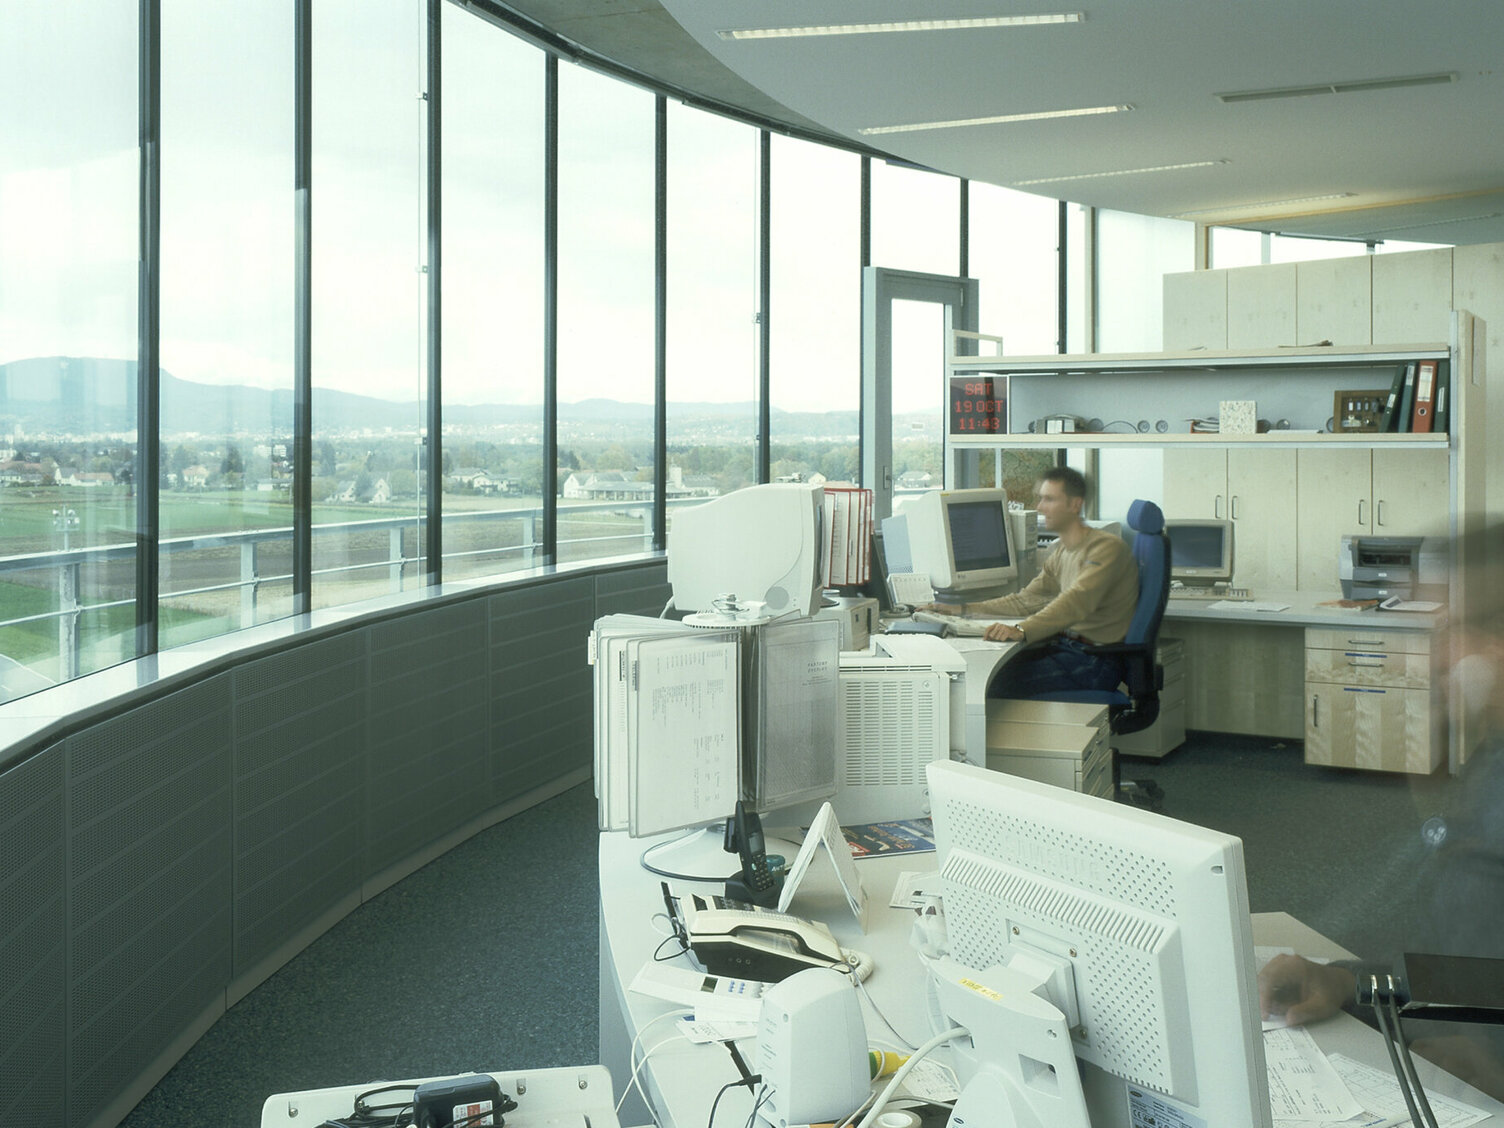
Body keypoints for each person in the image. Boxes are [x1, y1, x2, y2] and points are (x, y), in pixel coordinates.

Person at [1259, 524, 1504, 1101]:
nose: (1447, 653)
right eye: (1447, 625)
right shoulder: (1491, 765)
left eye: (1471, 628)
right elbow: (1474, 975)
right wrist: (1349, 983)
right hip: (1441, 1072)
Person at [920, 466, 1139, 698]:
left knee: (985, 686)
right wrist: (963, 609)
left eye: (1049, 499)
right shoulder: (1064, 550)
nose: (1040, 507)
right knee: (979, 674)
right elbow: (1026, 600)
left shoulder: (1105, 548)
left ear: (1075, 505)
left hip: (1096, 662)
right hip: (1069, 649)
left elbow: (1075, 601)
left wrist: (1021, 630)